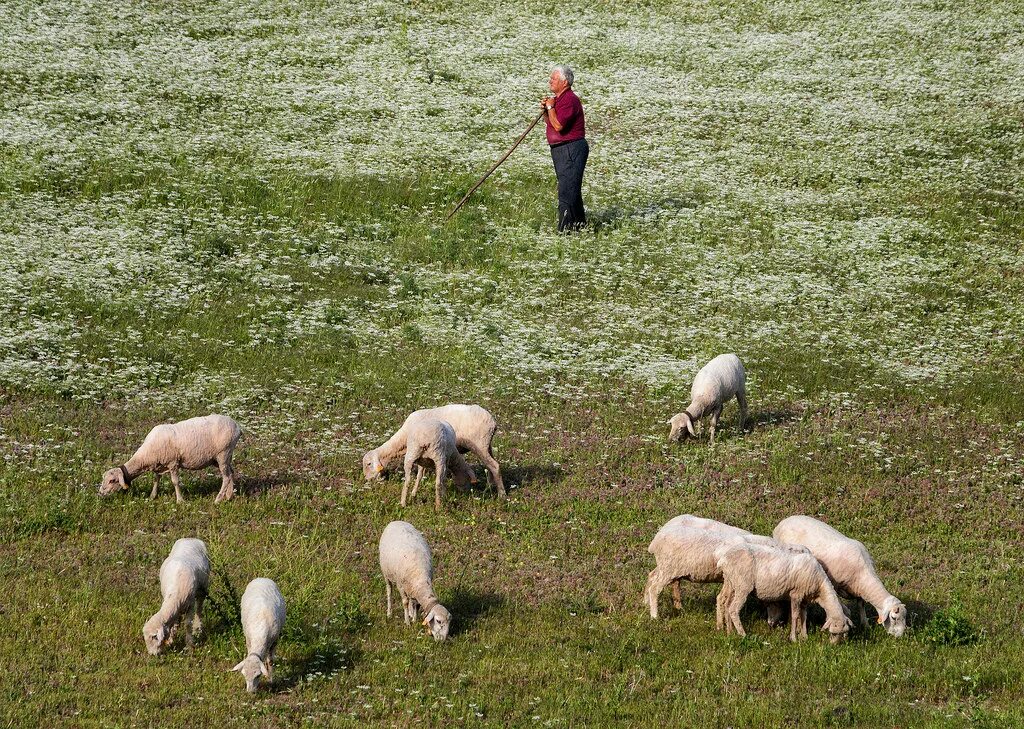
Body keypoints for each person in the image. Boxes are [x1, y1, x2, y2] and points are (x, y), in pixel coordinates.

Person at [541, 65, 588, 232]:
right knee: (571, 188)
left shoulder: (569, 100)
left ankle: (565, 231)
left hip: (570, 148)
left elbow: (559, 126)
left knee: (566, 190)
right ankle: (580, 227)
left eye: (553, 79)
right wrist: (547, 111)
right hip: (562, 149)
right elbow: (552, 124)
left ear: (564, 82)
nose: (550, 81)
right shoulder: (560, 99)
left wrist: (550, 107)